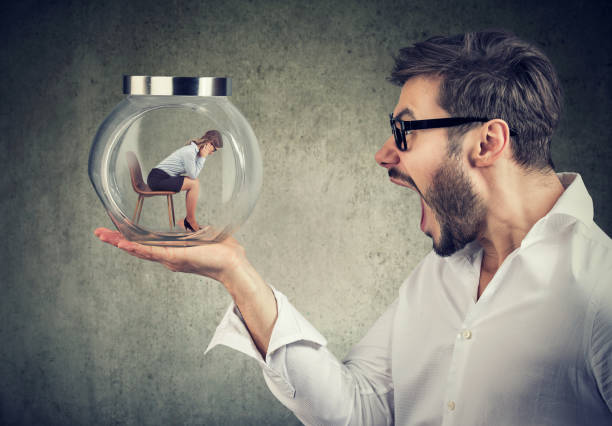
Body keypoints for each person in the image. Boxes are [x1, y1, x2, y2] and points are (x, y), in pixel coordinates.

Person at [95, 30, 612, 425]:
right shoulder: (439, 276)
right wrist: (236, 272)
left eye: (403, 131)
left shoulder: (599, 291)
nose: (384, 155)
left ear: (487, 143)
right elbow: (360, 408)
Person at [146, 130, 223, 232]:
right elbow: (193, 175)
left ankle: (190, 220)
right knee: (194, 184)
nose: (212, 153)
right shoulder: (190, 152)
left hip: (164, 177)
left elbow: (192, 174)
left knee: (194, 183)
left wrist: (201, 156)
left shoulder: (194, 151)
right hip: (157, 178)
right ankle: (190, 220)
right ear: (209, 144)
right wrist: (203, 157)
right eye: (215, 150)